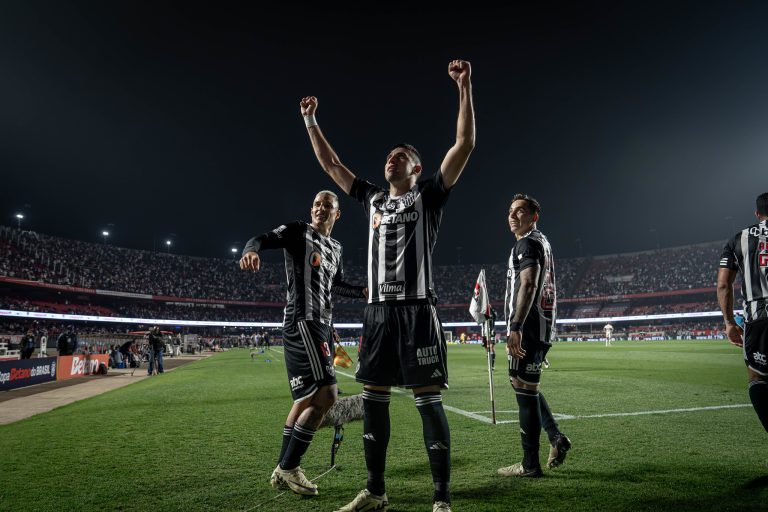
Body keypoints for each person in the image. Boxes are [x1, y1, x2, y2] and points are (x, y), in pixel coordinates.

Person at [300, 59, 475, 512]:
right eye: (389, 156)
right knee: (374, 403)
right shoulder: (372, 198)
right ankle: (376, 492)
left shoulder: (429, 195)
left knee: (428, 403)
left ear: (416, 168)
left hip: (418, 311)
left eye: (401, 156)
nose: (391, 160)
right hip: (377, 314)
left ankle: (442, 499)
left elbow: (464, 143)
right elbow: (332, 164)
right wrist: (310, 120)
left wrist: (463, 87)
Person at [240, 191, 365, 497]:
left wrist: (362, 291)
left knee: (304, 400)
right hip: (302, 321)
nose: (322, 209)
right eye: (317, 205)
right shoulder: (299, 231)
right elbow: (262, 238)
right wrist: (250, 250)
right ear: (312, 210)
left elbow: (335, 285)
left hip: (321, 325)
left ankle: (283, 468)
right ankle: (289, 467)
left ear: (338, 214)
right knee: (327, 394)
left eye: (328, 206)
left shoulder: (336, 247)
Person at [498, 194, 571, 478]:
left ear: (533, 216)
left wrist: (515, 326)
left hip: (529, 328)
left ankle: (530, 465)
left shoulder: (527, 243)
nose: (513, 216)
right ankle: (556, 438)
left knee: (523, 390)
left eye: (520, 211)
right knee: (523, 385)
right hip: (538, 326)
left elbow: (528, 284)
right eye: (510, 211)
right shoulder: (541, 241)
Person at [717, 192, 768, 435]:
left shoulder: (739, 239)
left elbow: (724, 285)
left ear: (757, 214)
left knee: (759, 380)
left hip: (758, 320)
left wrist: (729, 322)